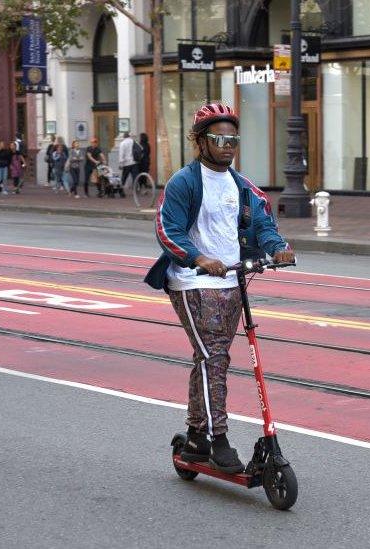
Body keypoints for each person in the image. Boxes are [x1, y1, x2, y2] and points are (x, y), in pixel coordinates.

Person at [144, 102, 295, 474]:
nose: (228, 145)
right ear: (200, 141)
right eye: (219, 138)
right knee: (215, 357)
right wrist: (197, 258)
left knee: (210, 358)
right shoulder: (184, 182)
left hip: (232, 280)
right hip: (193, 283)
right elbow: (168, 231)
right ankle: (217, 437)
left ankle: (196, 436)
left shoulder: (241, 186)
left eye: (233, 139)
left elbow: (263, 223)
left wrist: (277, 248)